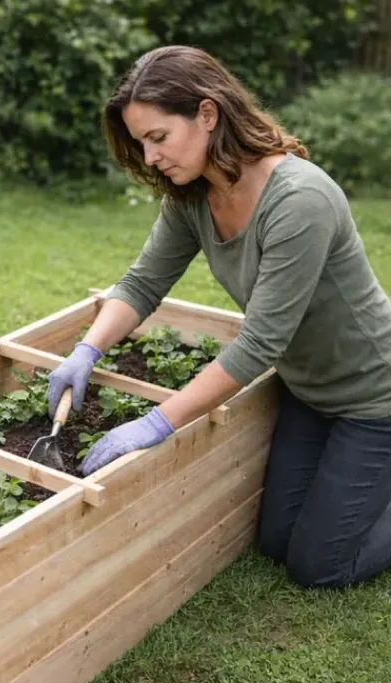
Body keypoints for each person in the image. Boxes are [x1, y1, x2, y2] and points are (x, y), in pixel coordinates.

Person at [47, 45, 391, 589]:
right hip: (308, 392)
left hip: (375, 396)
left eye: (158, 137)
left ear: (208, 114)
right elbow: (142, 282)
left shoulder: (300, 200)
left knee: (317, 566)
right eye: (141, 143)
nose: (151, 156)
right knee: (276, 542)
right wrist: (87, 350)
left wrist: (159, 422)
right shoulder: (193, 197)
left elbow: (259, 344)